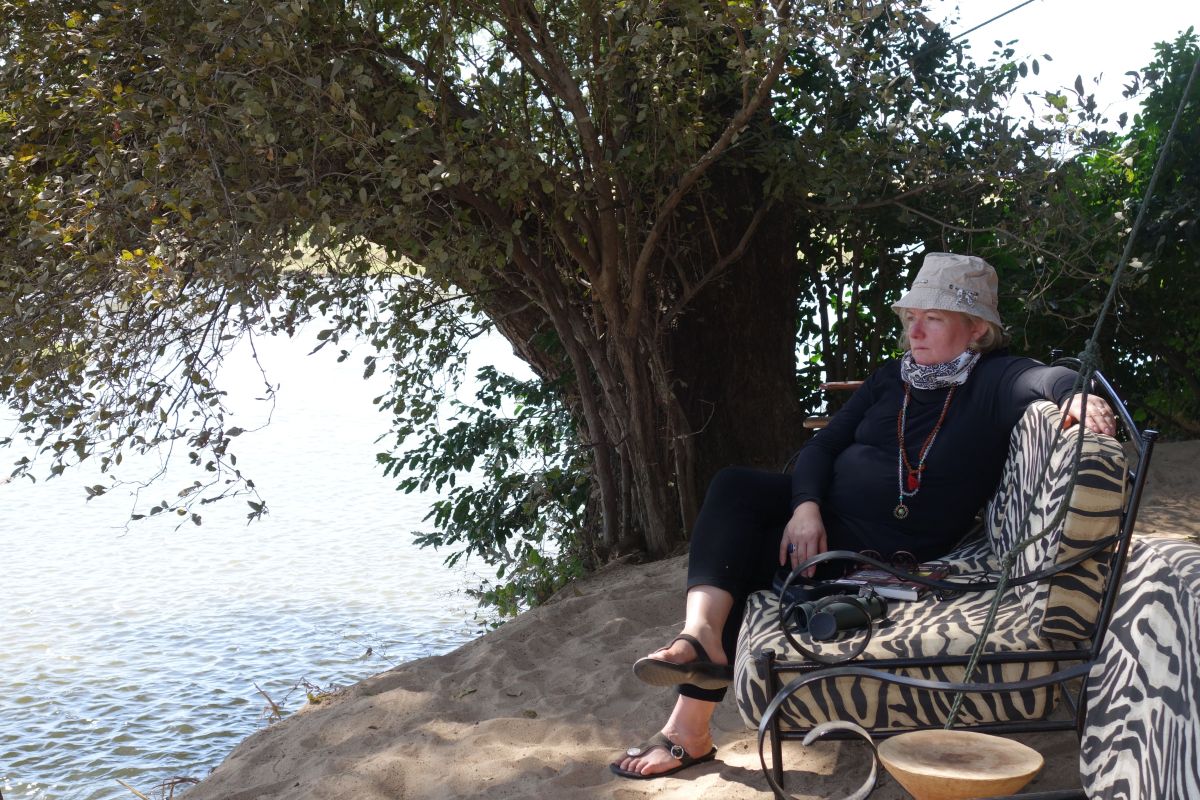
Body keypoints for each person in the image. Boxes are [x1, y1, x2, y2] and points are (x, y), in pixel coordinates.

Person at [610, 252, 1117, 780]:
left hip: (881, 543)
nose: (914, 331)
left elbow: (1047, 377)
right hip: (827, 513)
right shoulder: (894, 377)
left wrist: (1075, 395)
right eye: (911, 317)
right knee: (733, 485)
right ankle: (698, 637)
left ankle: (689, 723)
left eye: (933, 318)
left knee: (743, 554)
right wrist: (805, 507)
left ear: (976, 329)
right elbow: (823, 446)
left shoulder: (992, 379)